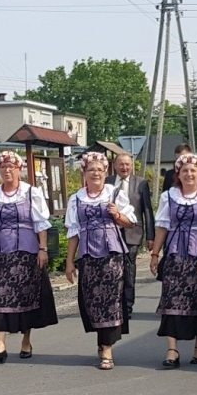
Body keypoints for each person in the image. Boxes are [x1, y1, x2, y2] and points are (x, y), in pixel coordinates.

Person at [0, 150, 58, 362]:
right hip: (1, 254)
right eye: (3, 167)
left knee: (26, 296)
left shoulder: (31, 193)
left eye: (11, 167)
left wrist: (43, 249)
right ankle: (0, 345)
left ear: (19, 169)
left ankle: (26, 341)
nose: (7, 170)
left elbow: (40, 224)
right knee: (0, 297)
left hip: (27, 252)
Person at [150, 152, 197, 367]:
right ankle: (172, 350)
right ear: (178, 174)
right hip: (175, 254)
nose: (189, 174)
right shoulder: (169, 196)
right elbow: (163, 225)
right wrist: (155, 254)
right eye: (184, 171)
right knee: (171, 300)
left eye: (193, 170)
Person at [68, 152, 137, 369]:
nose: (96, 173)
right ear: (84, 173)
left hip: (112, 254)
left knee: (111, 299)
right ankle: (102, 340)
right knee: (92, 300)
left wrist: (117, 215)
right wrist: (69, 261)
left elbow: (130, 223)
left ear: (106, 172)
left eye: (100, 170)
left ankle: (107, 348)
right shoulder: (76, 198)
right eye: (91, 170)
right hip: (88, 255)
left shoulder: (115, 193)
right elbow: (74, 232)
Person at [106, 152, 154, 319]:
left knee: (129, 269)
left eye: (127, 164)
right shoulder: (107, 182)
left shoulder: (140, 183)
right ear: (115, 166)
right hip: (111, 233)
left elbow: (147, 210)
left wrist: (151, 236)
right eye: (121, 164)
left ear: (132, 166)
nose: (124, 167)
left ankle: (127, 305)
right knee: (112, 270)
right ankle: (113, 303)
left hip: (133, 232)